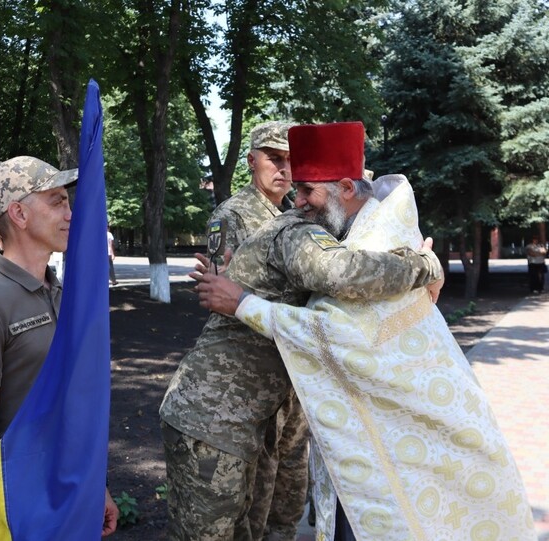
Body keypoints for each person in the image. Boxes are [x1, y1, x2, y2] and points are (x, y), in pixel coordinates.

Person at [191, 135, 535, 539]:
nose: (297, 202)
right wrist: (248, 276)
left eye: (307, 190)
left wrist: (244, 303)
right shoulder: (362, 227)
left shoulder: (376, 238)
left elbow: (336, 332)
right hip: (381, 424)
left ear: (346, 189)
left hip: (387, 437)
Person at [159, 122, 445, 541]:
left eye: (308, 189)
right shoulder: (296, 230)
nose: (298, 198)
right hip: (213, 417)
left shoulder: (313, 227)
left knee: (248, 530)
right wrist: (426, 266)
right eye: (301, 189)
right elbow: (346, 273)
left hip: (247, 418)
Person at [0, 155, 118, 535]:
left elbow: (71, 405)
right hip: (25, 506)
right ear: (19, 214)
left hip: (71, 493)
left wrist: (94, 487)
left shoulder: (59, 292)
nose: (70, 214)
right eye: (57, 202)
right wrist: (19, 509)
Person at [205, 120, 310, 540]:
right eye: (274, 158)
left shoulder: (297, 214)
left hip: (293, 371)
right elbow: (220, 293)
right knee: (259, 493)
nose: (283, 169)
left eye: (290, 161)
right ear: (251, 161)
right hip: (254, 374)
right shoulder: (232, 215)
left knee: (291, 488)